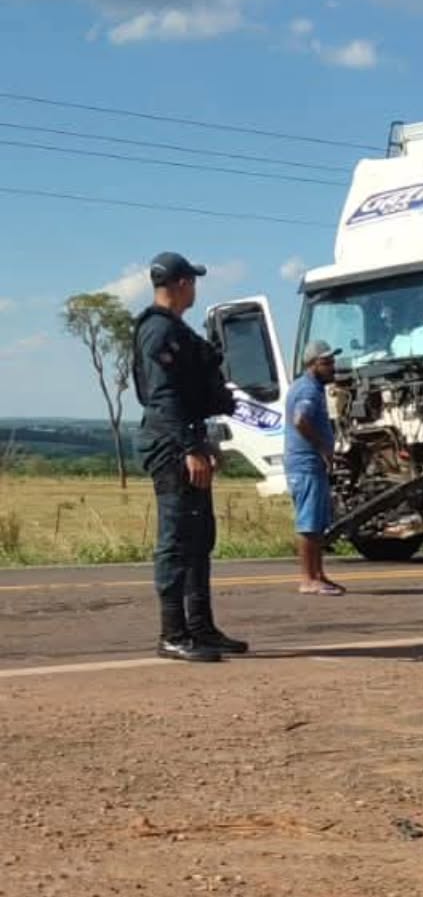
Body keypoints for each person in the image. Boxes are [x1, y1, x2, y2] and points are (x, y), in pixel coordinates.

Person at [132, 251, 244, 662]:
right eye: (193, 281)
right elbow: (163, 398)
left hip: (186, 436)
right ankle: (172, 633)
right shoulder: (158, 331)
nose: (195, 288)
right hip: (171, 446)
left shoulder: (175, 330)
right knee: (177, 539)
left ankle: (200, 627)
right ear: (181, 284)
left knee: (199, 537)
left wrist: (203, 440)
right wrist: (190, 448)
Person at [285, 340, 346, 596]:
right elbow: (300, 420)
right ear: (312, 365)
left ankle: (318, 575)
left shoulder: (312, 388)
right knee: (309, 523)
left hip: (313, 465)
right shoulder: (308, 390)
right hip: (306, 464)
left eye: (332, 361)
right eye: (326, 362)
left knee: (317, 523)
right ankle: (307, 578)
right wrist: (322, 448)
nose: (332, 367)